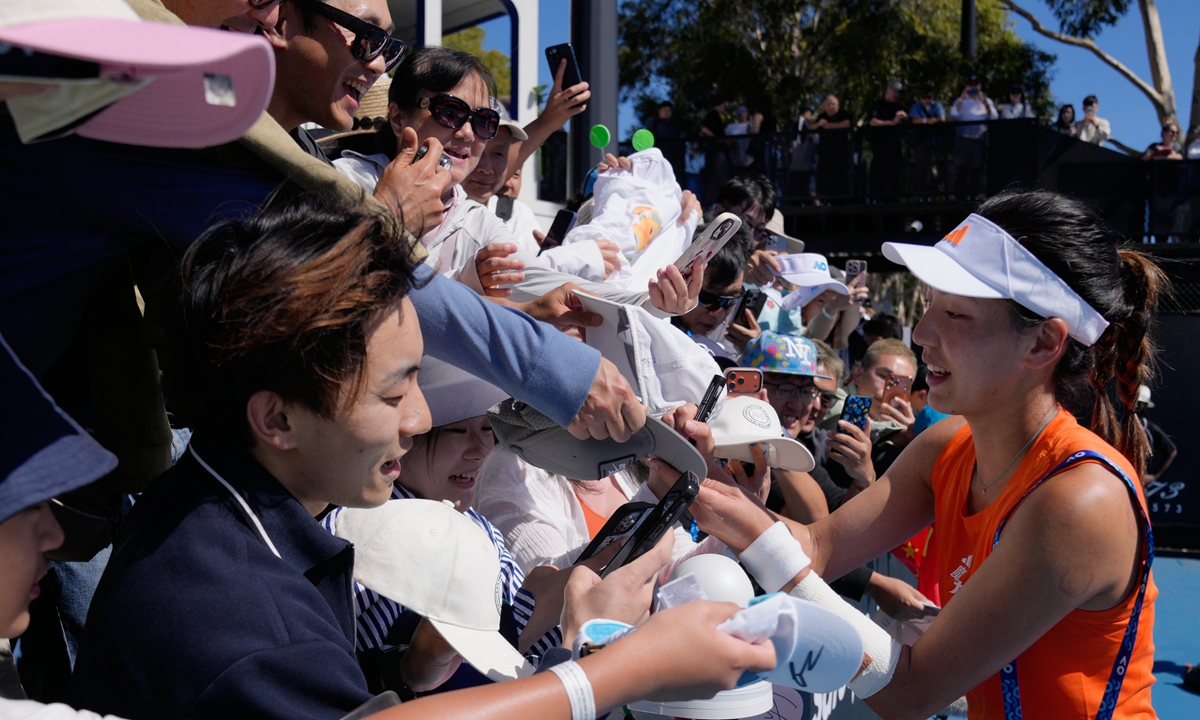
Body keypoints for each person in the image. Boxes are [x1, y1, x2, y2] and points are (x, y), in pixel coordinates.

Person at [69, 195, 775, 720]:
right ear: (276, 417)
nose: (419, 418)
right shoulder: (240, 615)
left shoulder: (215, 517)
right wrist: (601, 662)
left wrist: (407, 668)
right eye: (395, 388)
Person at [688, 188, 1163, 719]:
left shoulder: (1082, 500)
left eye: (956, 315)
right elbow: (816, 548)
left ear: (1042, 344)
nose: (921, 333)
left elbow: (912, 690)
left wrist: (754, 533)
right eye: (930, 304)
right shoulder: (949, 445)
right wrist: (700, 477)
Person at [950, 75, 997, 195]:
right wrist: (962, 97)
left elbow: (994, 117)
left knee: (976, 169)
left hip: (979, 140)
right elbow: (953, 115)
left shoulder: (986, 101)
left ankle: (974, 197)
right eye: (970, 84)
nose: (973, 87)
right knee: (961, 169)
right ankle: (959, 198)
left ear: (979, 86)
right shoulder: (961, 101)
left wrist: (984, 101)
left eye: (975, 84)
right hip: (963, 140)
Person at [868, 81, 908, 198]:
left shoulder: (899, 107)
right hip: (880, 147)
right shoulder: (877, 105)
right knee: (880, 176)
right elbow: (872, 121)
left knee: (895, 176)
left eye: (898, 93)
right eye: (895, 91)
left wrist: (904, 117)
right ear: (888, 90)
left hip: (895, 148)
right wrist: (891, 123)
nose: (896, 94)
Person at [811, 94, 853, 197]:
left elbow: (847, 124)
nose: (831, 107)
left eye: (833, 104)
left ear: (838, 105)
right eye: (829, 105)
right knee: (825, 180)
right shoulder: (822, 117)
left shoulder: (843, 114)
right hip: (825, 155)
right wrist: (819, 124)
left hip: (841, 154)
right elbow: (811, 129)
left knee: (841, 179)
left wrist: (829, 126)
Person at [1134, 385, 1176, 483]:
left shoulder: (1150, 428)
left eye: (1139, 403)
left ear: (1144, 405)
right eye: (1132, 401)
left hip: (1139, 484)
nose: (1135, 406)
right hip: (1117, 479)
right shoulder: (1117, 426)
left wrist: (1155, 476)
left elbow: (1171, 451)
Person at [908, 88, 946, 193]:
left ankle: (933, 195)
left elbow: (942, 118)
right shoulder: (916, 107)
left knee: (933, 172)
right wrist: (927, 121)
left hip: (933, 144)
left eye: (928, 97)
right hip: (920, 144)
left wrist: (931, 121)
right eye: (924, 97)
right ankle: (922, 196)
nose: (926, 100)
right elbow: (914, 120)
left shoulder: (937, 106)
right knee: (920, 170)